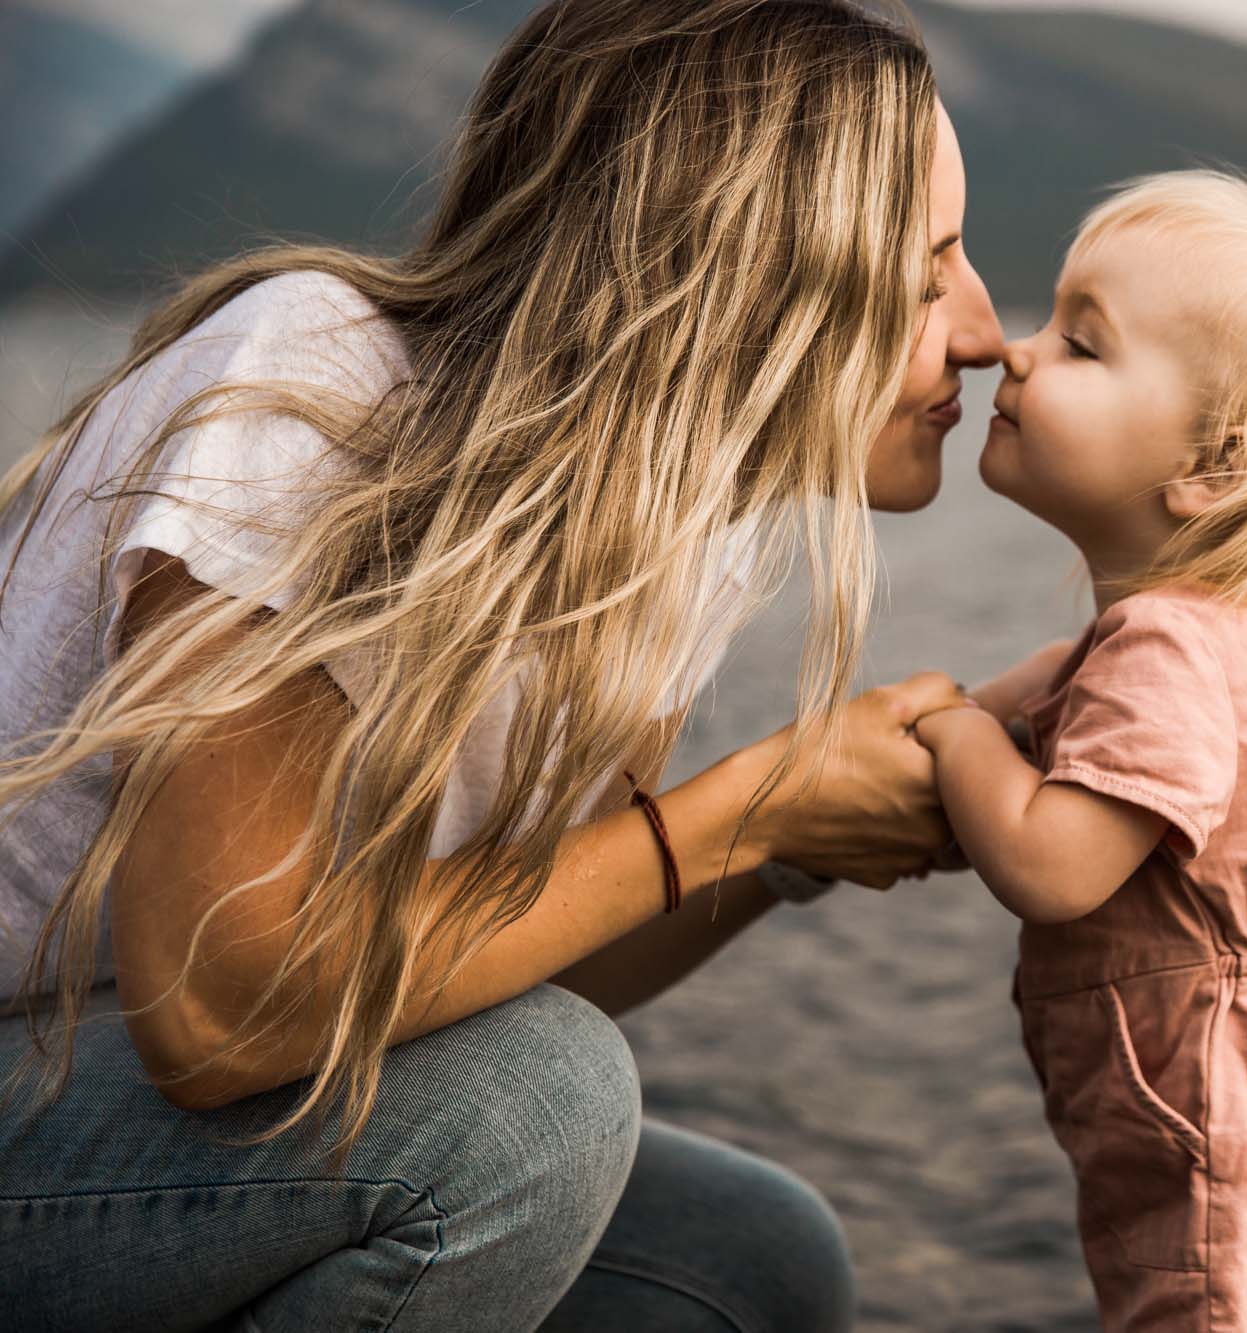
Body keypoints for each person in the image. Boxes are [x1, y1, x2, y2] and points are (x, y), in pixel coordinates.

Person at [0, 2, 1003, 1328]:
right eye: (928, 273)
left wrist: (787, 846)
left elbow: (533, 954)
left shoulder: (663, 536)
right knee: (535, 1105)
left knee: (749, 1255)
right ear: (748, 269)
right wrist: (741, 807)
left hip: (133, 1110)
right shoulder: (318, 390)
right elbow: (223, 1010)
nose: (986, 332)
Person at [915, 169, 1247, 1330]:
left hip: (1217, 1134)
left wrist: (952, 733)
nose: (1015, 353)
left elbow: (1056, 865)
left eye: (1081, 344)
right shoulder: (1214, 633)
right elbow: (1047, 708)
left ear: (1213, 468)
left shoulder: (1165, 647)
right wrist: (978, 718)